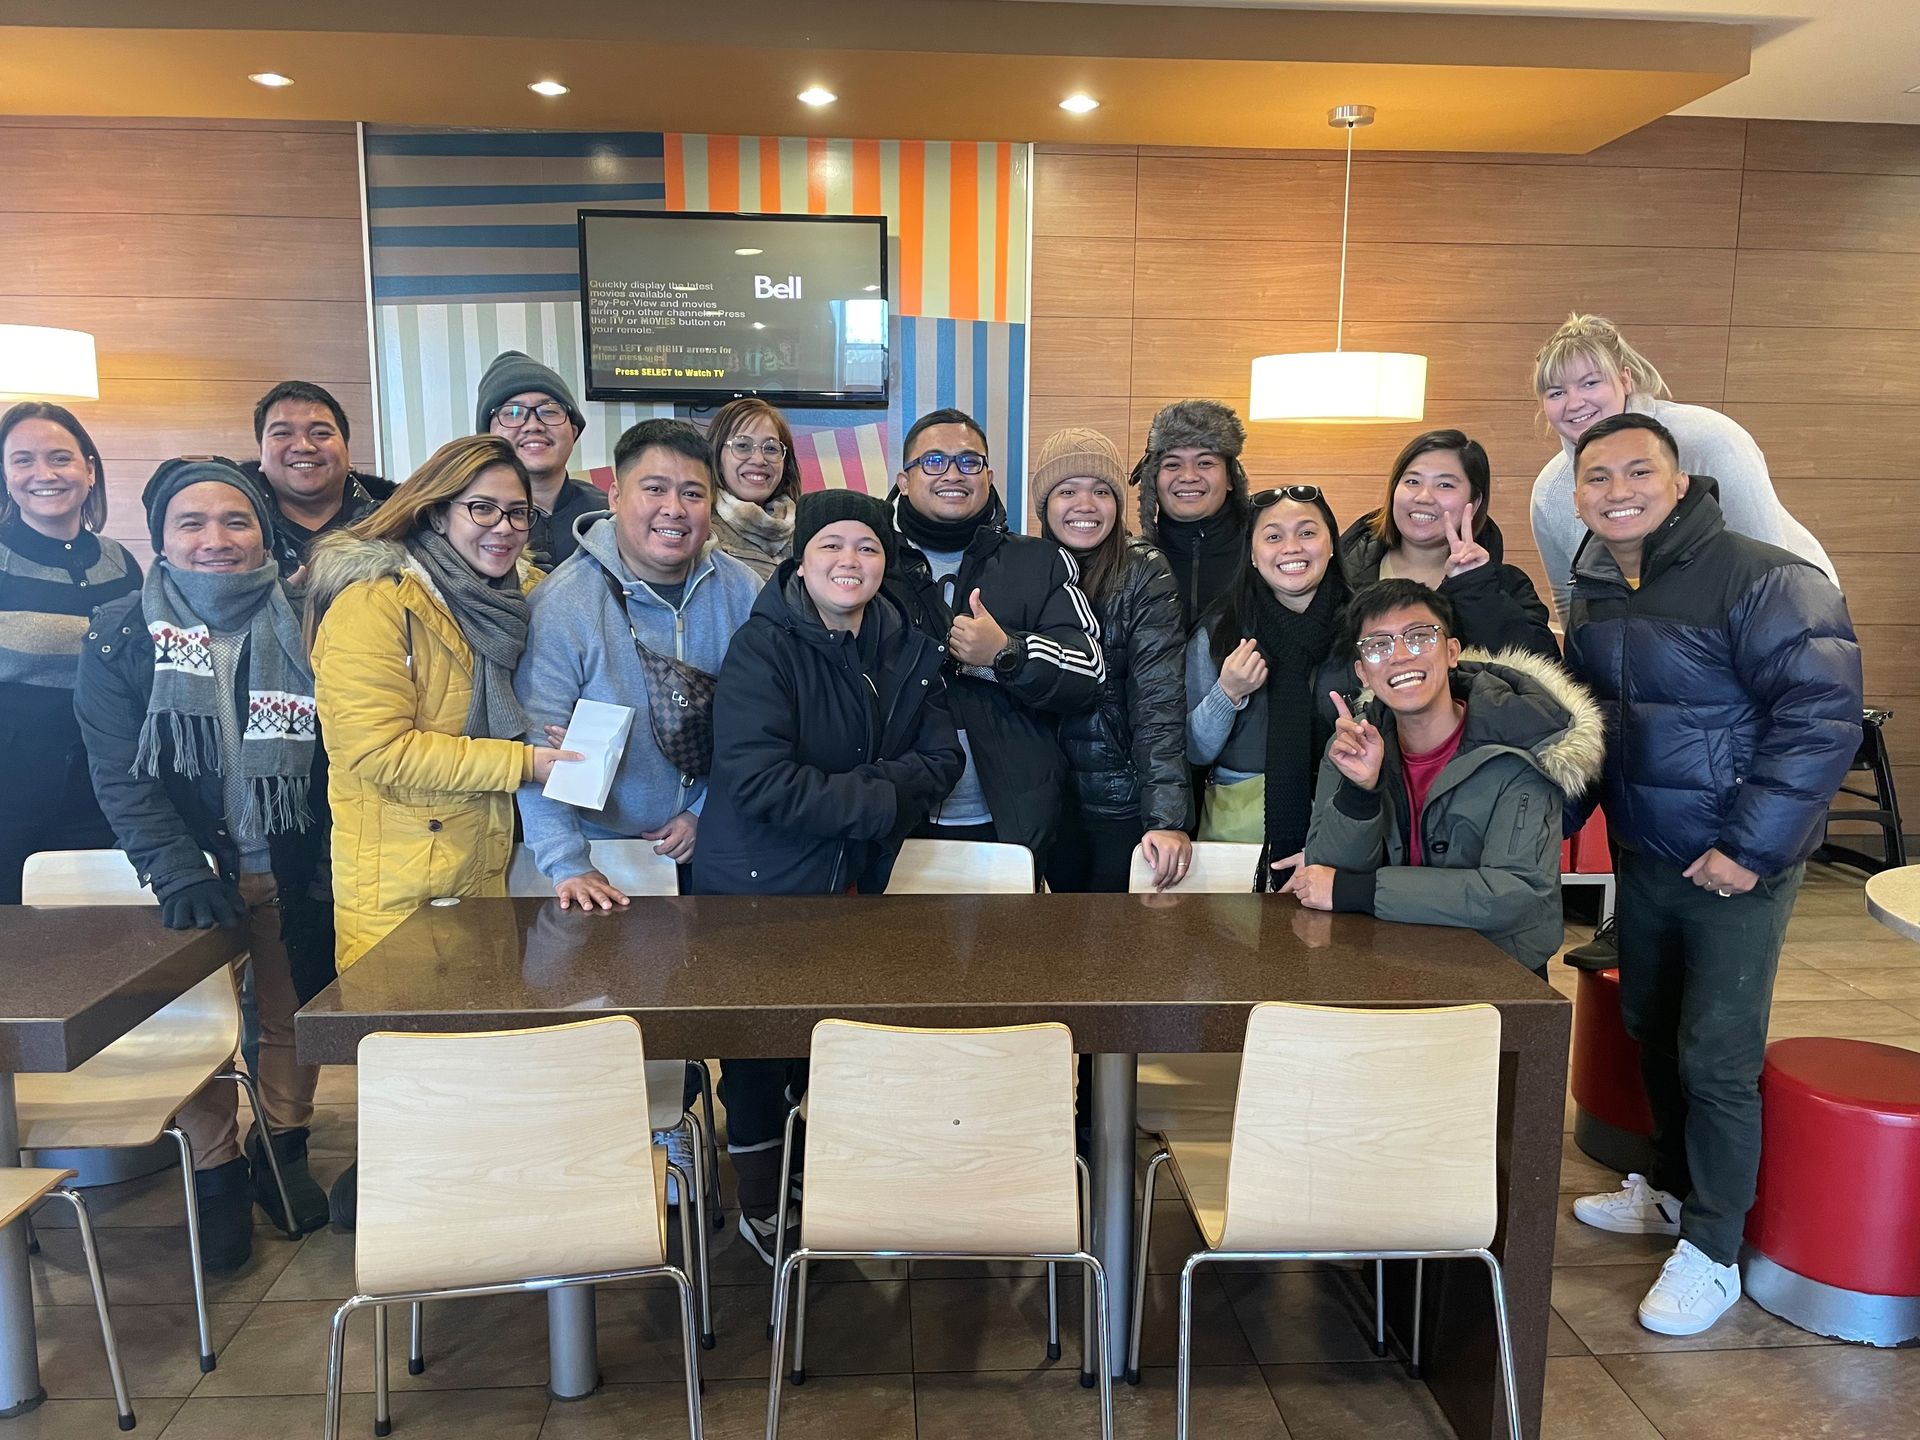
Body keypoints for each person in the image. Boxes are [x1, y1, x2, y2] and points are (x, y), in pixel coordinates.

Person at [1562, 413, 1861, 1338]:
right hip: (1649, 855)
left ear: (1680, 479)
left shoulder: (1763, 574)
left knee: (1718, 1058)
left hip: (1735, 863)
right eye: (1597, 476)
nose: (1618, 490)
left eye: (1637, 471)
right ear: (1577, 494)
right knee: (1650, 1025)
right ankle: (1672, 1188)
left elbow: (1821, 716)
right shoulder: (1599, 586)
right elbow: (1597, 724)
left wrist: (1751, 848)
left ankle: (1715, 1250)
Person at [73, 458, 333, 1268]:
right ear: (159, 538)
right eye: (192, 523)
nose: (216, 539)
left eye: (237, 521)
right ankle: (216, 1168)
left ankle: (281, 1151)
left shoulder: (314, 620)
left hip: (295, 862)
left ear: (264, 530)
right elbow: (121, 775)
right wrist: (176, 869)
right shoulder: (120, 636)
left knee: (293, 1019)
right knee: (199, 1034)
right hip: (197, 875)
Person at [695, 489, 963, 1259]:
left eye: (868, 547)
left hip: (855, 885)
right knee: (756, 1056)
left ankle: (830, 1187)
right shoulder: (764, 646)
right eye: (832, 546)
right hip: (758, 886)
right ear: (802, 561)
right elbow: (759, 782)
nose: (851, 561)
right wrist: (884, 795)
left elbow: (942, 758)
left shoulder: (908, 644)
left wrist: (880, 792)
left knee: (836, 1049)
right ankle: (765, 1208)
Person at [305, 434, 577, 968]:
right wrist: (524, 762)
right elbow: (375, 751)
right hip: (402, 889)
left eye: (518, 513)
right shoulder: (374, 603)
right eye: (482, 508)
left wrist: (551, 733)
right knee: (414, 1044)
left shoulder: (519, 600)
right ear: (435, 514)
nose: (504, 527)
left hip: (491, 864)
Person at [1283, 579, 1603, 973]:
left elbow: (1513, 893)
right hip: (1377, 961)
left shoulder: (1521, 744)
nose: (1399, 655)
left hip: (1496, 971)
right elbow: (1324, 872)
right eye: (1379, 645)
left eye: (1419, 637)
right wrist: (1361, 792)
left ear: (1452, 652)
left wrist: (1359, 892)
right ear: (1362, 672)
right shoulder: (1354, 742)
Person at [514, 419, 759, 905]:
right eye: (654, 489)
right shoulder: (562, 604)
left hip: (721, 840)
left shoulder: (745, 591)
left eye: (693, 493)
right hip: (602, 854)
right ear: (615, 496)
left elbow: (768, 725)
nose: (674, 508)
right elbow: (537, 748)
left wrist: (705, 812)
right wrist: (568, 864)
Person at [885, 406, 1104, 868]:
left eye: (969, 461)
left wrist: (1007, 652)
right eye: (933, 461)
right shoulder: (870, 562)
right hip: (891, 815)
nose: (953, 474)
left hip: (1012, 821)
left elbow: (1089, 671)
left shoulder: (1040, 560)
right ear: (904, 480)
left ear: (988, 475)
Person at [1529, 312, 1834, 621]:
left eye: (1590, 382)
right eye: (1556, 392)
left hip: (1783, 615)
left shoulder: (1710, 439)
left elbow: (1769, 572)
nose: (1575, 402)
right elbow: (1571, 600)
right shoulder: (1549, 492)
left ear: (1625, 379)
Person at [1032, 427, 1191, 892]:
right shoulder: (1026, 567)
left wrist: (1166, 817)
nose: (1086, 505)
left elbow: (1159, 701)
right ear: (1045, 503)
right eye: (1068, 491)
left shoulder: (1145, 572)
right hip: (1046, 798)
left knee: (1114, 950)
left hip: (1117, 799)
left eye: (1101, 491)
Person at [0, 402, 142, 904]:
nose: (43, 474)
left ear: (89, 467)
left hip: (105, 786)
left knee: (100, 935)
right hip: (11, 789)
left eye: (59, 458)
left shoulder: (119, 561)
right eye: (22, 460)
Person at [1185, 486, 1350, 882]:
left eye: (1307, 533)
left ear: (1330, 545)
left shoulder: (1365, 629)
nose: (1291, 547)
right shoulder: (1219, 632)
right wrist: (1228, 694)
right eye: (1273, 536)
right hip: (1236, 833)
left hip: (1342, 824)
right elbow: (1193, 750)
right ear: (1254, 556)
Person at [1340, 429, 1556, 660]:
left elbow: (1540, 669)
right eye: (1412, 481)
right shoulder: (1340, 575)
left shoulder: (1505, 586)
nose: (1423, 496)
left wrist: (1474, 586)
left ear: (1475, 500)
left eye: (1444, 485)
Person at [240, 380, 391, 579]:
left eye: (320, 433)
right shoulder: (233, 530)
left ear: (348, 453)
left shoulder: (400, 524)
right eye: (283, 433)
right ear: (261, 455)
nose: (303, 446)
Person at [1130, 400, 1252, 631]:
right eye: (1172, 464)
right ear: (1153, 480)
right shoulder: (1131, 565)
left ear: (1230, 479)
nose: (1188, 476)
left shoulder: (1262, 557)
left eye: (1205, 462)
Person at [475, 350, 599, 569]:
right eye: (512, 413)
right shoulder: (469, 521)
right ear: (488, 436)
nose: (533, 425)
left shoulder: (608, 515)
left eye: (549, 411)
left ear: (573, 430)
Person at [705, 397, 799, 581]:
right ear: (716, 455)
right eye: (742, 445)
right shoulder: (700, 532)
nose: (758, 459)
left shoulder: (808, 532)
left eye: (771, 448)